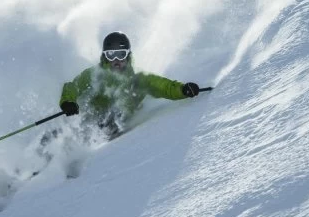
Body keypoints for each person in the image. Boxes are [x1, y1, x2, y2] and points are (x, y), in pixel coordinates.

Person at [56, 31, 202, 140]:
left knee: (112, 119)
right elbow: (73, 86)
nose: (116, 60)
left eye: (121, 54)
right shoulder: (95, 74)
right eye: (111, 55)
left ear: (128, 55)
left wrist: (183, 89)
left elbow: (163, 86)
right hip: (91, 119)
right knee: (71, 130)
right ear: (105, 56)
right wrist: (68, 102)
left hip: (116, 123)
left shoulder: (138, 79)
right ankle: (53, 147)